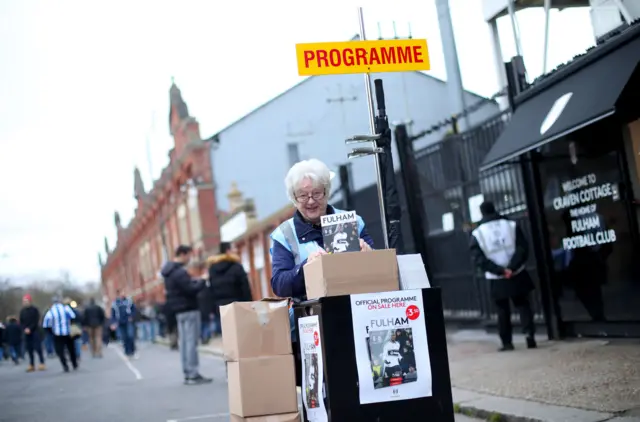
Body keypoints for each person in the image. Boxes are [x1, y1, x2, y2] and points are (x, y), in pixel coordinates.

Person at [269, 159, 374, 338]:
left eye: (316, 193)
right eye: (302, 195)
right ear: (294, 198)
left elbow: (378, 271)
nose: (310, 201)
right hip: (311, 320)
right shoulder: (284, 234)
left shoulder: (353, 221)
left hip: (357, 311)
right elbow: (279, 285)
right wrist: (306, 268)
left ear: (327, 192)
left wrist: (369, 255)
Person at [470, 201, 537, 351]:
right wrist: (512, 267)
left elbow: (478, 258)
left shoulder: (477, 233)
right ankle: (529, 335)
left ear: (482, 212)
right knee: (523, 305)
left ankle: (507, 342)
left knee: (502, 310)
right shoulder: (511, 225)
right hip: (517, 272)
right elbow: (522, 247)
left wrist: (500, 271)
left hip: (496, 278)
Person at [162, 245, 212, 385]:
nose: (190, 259)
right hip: (189, 309)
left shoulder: (169, 272)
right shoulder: (179, 272)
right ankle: (193, 373)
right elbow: (190, 289)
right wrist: (202, 280)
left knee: (184, 343)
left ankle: (187, 372)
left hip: (178, 311)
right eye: (189, 255)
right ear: (183, 254)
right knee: (191, 342)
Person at [206, 241, 252, 336]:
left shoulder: (212, 269)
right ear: (228, 250)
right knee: (241, 333)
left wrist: (212, 308)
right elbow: (245, 287)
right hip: (237, 304)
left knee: (227, 335)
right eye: (233, 248)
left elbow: (210, 290)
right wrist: (249, 303)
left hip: (220, 307)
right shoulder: (236, 266)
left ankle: (230, 351)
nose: (235, 250)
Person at [42, 296, 78, 372]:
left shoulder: (51, 311)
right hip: (68, 332)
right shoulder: (66, 308)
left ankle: (65, 365)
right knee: (71, 349)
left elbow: (46, 324)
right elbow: (73, 317)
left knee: (60, 351)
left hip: (58, 334)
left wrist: (51, 332)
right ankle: (74, 363)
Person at [19, 294, 46, 372]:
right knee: (29, 349)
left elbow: (36, 320)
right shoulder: (22, 311)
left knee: (38, 348)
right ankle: (31, 364)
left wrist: (30, 328)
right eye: (24, 301)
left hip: (35, 331)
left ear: (30, 301)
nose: (25, 303)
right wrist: (24, 329)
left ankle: (42, 362)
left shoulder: (34, 310)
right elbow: (21, 322)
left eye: (26, 301)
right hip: (26, 332)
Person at [110, 291, 137, 358]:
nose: (123, 294)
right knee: (124, 337)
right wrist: (113, 323)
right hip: (120, 323)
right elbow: (113, 314)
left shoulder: (129, 301)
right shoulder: (115, 303)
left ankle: (132, 351)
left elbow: (134, 310)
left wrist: (131, 316)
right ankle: (127, 352)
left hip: (128, 321)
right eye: (121, 293)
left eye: (124, 292)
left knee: (130, 336)